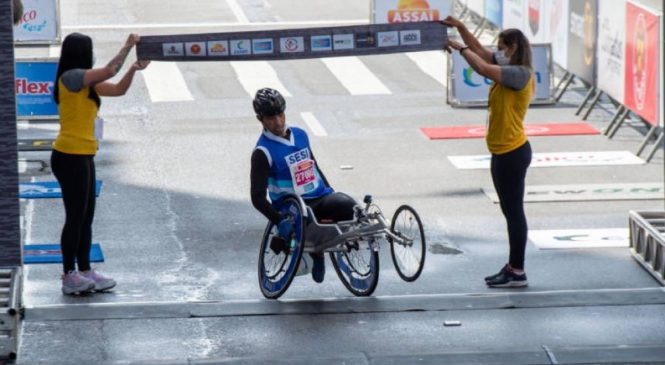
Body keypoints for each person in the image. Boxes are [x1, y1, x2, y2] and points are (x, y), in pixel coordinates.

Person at [52, 32, 150, 295]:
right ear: (81, 53)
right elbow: (108, 71)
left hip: (84, 154)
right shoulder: (71, 78)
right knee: (74, 217)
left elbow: (118, 89)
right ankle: (68, 274)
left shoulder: (86, 84)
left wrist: (133, 69)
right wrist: (128, 47)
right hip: (69, 155)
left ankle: (85, 270)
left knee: (86, 217)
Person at [443, 16, 534, 288]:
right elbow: (483, 54)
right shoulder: (509, 66)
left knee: (514, 212)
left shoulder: (519, 74)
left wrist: (460, 49)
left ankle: (517, 270)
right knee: (510, 211)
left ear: (514, 47)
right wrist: (460, 27)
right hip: (503, 151)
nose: (499, 52)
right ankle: (513, 267)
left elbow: (482, 66)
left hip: (512, 153)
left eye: (503, 47)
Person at [250, 88, 357, 283]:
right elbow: (257, 197)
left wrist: (330, 191)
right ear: (260, 119)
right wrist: (277, 220)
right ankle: (317, 253)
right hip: (293, 208)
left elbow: (314, 165)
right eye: (271, 118)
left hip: (319, 197)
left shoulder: (300, 135)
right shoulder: (262, 152)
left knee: (349, 206)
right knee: (309, 220)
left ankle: (324, 248)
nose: (278, 122)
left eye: (280, 115)